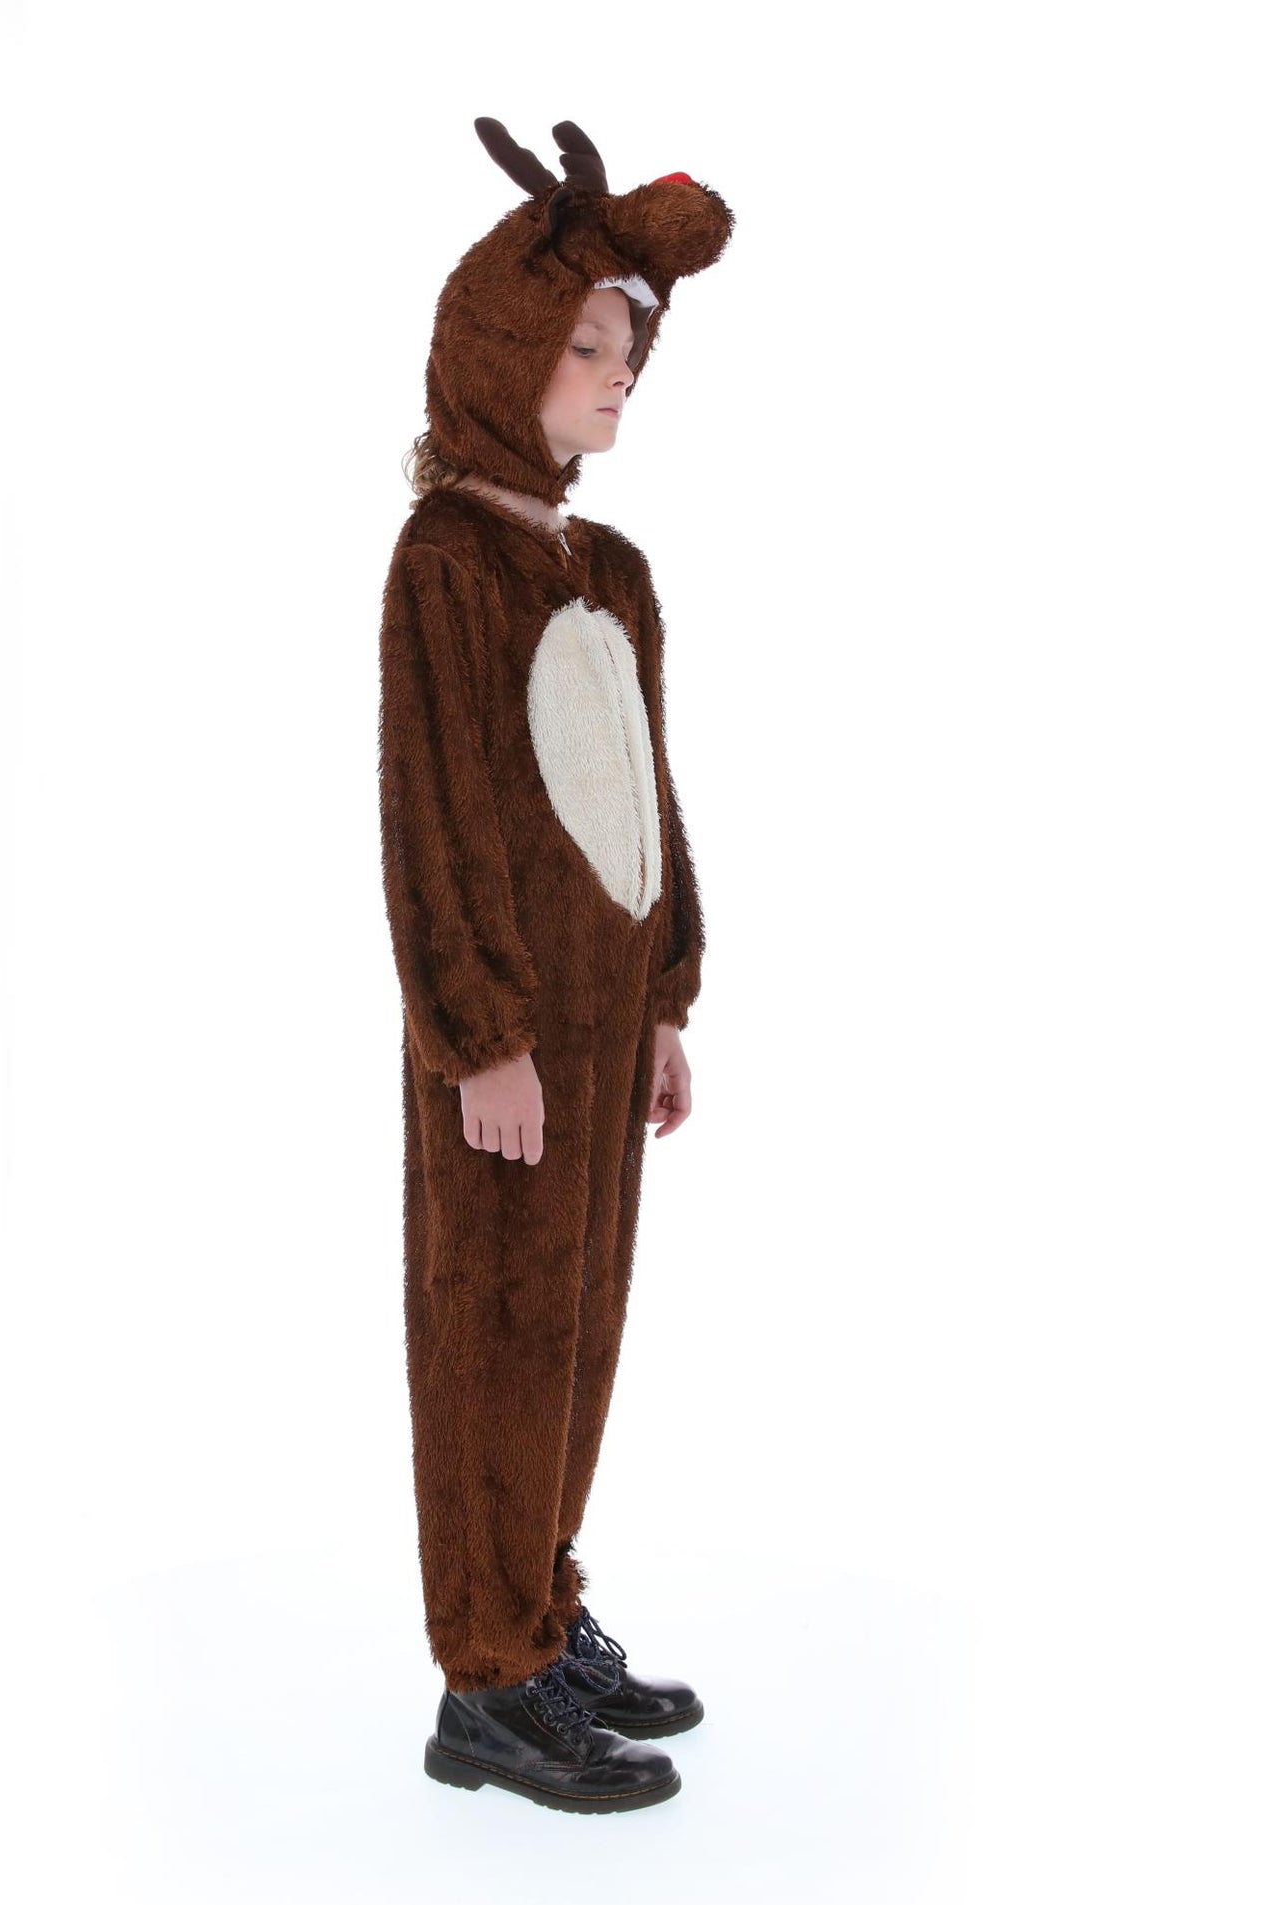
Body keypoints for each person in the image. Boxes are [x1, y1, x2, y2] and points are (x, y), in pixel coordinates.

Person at [376, 117, 734, 1814]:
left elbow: (648, 796)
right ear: (501, 351)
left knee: (579, 1326)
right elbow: (433, 814)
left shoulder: (614, 573)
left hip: (603, 1029)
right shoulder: (447, 564)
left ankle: (543, 1603)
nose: (617, 375)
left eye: (625, 351)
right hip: (510, 1045)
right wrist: (482, 1038)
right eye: (585, 347)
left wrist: (662, 1001)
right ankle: (486, 1679)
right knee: (493, 1334)